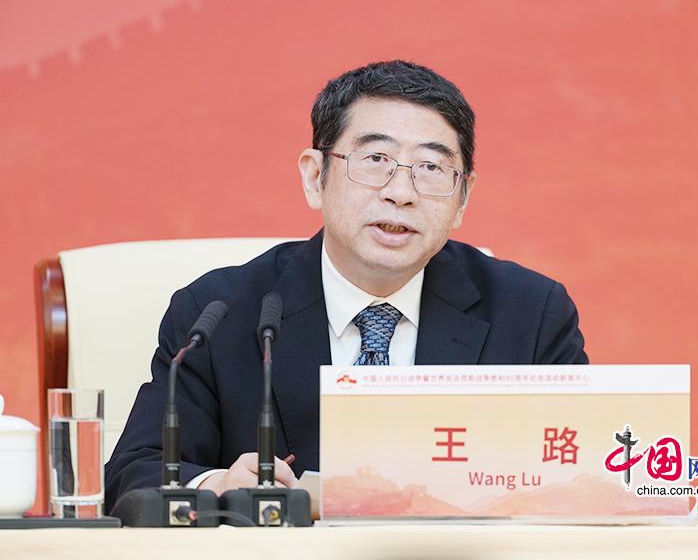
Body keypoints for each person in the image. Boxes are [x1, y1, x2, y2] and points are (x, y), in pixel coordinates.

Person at [104, 60, 588, 512]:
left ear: (462, 199)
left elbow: (586, 477)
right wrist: (217, 487)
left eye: (431, 168)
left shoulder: (532, 315)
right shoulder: (218, 312)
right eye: (375, 159)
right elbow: (135, 473)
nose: (400, 193)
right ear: (315, 176)